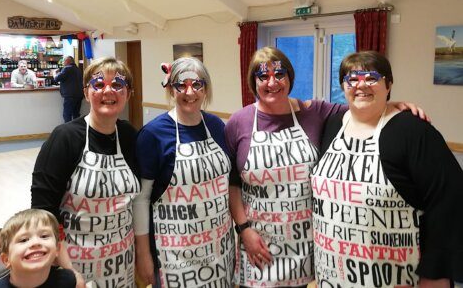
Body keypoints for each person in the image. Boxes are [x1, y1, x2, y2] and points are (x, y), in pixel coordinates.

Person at [225, 46, 428, 288]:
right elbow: (233, 182)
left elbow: (361, 105)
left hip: (305, 247)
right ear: (252, 81)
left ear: (289, 77)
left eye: (279, 74)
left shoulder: (315, 112)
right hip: (258, 244)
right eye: (263, 76)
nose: (272, 82)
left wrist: (392, 103)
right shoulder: (239, 122)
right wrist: (244, 230)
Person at [311, 51, 463, 287]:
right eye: (352, 78)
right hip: (332, 273)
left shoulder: (413, 131)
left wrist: (434, 275)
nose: (361, 85)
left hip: (396, 276)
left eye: (371, 77)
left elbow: (449, 202)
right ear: (343, 86)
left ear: (388, 84)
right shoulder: (331, 125)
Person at [31, 57, 141, 287]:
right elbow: (43, 212)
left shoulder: (130, 136)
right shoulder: (64, 137)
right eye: (98, 84)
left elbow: (136, 203)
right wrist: (68, 272)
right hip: (75, 267)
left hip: (122, 266)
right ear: (86, 91)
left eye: (117, 85)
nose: (107, 91)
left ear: (128, 93)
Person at [134, 57, 235, 287]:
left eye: (197, 84)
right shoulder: (153, 134)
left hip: (219, 251)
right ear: (171, 88)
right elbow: (141, 199)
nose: (190, 92)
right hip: (174, 257)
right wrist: (144, 255)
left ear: (205, 88)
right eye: (181, 85)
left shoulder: (217, 126)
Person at [0, 209, 76, 288]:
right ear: (6, 259)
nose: (36, 243)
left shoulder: (67, 280)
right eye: (24, 240)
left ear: (57, 249)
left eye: (44, 236)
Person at [53, 56, 83, 122]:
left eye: (64, 61)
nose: (63, 63)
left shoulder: (67, 68)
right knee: (76, 114)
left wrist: (54, 73)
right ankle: (76, 130)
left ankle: (68, 131)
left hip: (70, 96)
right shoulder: (78, 69)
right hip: (79, 95)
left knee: (67, 115)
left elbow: (56, 79)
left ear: (68, 61)